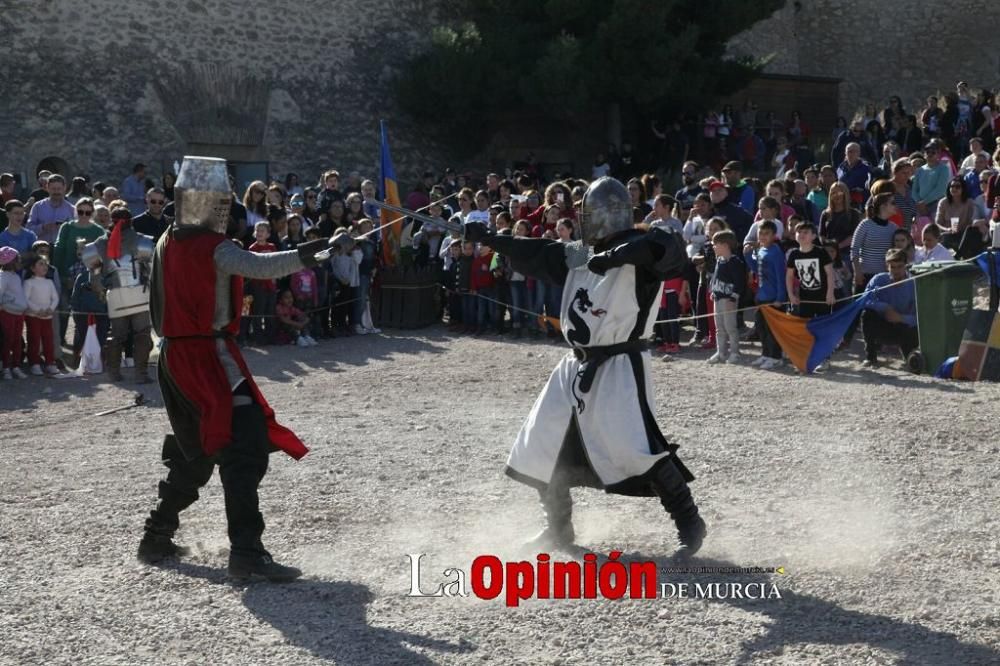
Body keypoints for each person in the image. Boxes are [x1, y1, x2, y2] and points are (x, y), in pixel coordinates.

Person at [464, 176, 706, 558]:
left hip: (620, 366)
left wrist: (613, 256)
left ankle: (690, 524)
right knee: (541, 442)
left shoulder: (646, 256)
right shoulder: (578, 254)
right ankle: (557, 529)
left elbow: (665, 246)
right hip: (574, 365)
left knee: (634, 449)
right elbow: (538, 251)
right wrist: (491, 238)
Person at [138, 156, 331, 581]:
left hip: (175, 360)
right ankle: (246, 553)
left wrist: (302, 254)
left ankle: (156, 535)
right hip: (208, 360)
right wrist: (303, 257)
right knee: (242, 447)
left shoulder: (167, 239)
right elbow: (257, 267)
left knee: (198, 447)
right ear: (209, 203)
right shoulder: (210, 246)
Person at [81, 206, 155, 383]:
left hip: (115, 295)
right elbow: (152, 271)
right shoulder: (143, 241)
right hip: (139, 294)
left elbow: (94, 275)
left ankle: (113, 372)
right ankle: (141, 374)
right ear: (130, 222)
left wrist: (100, 293)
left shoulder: (98, 244)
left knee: (117, 335)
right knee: (142, 334)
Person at [861, 249, 917, 368]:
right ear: (887, 266)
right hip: (883, 326)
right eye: (893, 267)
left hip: (904, 328)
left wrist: (900, 318)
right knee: (867, 314)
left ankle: (908, 356)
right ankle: (870, 357)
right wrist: (884, 307)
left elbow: (919, 317)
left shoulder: (914, 284)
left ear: (906, 266)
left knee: (913, 362)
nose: (896, 271)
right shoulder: (878, 279)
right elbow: (864, 300)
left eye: (900, 266)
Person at [752, 221, 786, 370]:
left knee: (773, 330)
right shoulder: (760, 250)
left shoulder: (776, 252)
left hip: (773, 298)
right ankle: (766, 353)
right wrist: (747, 254)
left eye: (767, 233)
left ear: (774, 235)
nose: (763, 236)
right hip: (761, 296)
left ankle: (776, 357)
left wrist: (780, 298)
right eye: (761, 233)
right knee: (762, 328)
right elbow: (755, 269)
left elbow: (780, 276)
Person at [707, 229, 745, 364]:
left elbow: (740, 281)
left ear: (725, 245)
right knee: (719, 328)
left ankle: (735, 352)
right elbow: (715, 277)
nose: (713, 246)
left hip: (729, 300)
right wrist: (713, 291)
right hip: (717, 298)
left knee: (730, 327)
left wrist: (733, 297)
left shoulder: (734, 262)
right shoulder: (719, 260)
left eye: (716, 244)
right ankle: (720, 352)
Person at [23, 256, 63, 376]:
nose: (44, 266)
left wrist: (51, 309)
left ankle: (50, 363)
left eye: (45, 264)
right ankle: (34, 363)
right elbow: (26, 299)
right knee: (34, 339)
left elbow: (55, 297)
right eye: (41, 264)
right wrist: (37, 310)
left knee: (48, 340)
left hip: (47, 317)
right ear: (32, 268)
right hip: (33, 316)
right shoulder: (28, 282)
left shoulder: (49, 282)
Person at [786, 221, 835, 319]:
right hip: (805, 298)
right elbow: (789, 276)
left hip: (822, 297)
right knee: (806, 324)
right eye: (799, 232)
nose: (801, 234)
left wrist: (830, 293)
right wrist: (791, 294)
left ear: (813, 236)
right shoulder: (794, 254)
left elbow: (830, 274)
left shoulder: (821, 252)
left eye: (805, 232)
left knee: (823, 323)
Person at [247, 221, 278, 345]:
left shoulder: (272, 247)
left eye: (262, 231)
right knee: (258, 311)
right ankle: (258, 337)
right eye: (257, 230)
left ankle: (271, 336)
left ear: (268, 234)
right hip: (258, 284)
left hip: (271, 283)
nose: (259, 233)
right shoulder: (252, 248)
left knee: (270, 310)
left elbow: (276, 263)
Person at [0, 247, 28, 379]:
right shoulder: (3, 277)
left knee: (17, 340)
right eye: (18, 260)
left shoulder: (16, 276)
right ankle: (6, 368)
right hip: (8, 314)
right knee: (8, 340)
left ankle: (16, 366)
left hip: (18, 314)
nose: (20, 262)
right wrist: (5, 305)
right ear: (10, 261)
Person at [26, 174, 75, 245]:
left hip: (62, 248)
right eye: (53, 189)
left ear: (64, 188)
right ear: (47, 188)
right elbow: (28, 229)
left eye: (59, 189)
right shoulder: (38, 207)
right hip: (43, 249)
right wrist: (43, 227)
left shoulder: (71, 209)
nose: (56, 192)